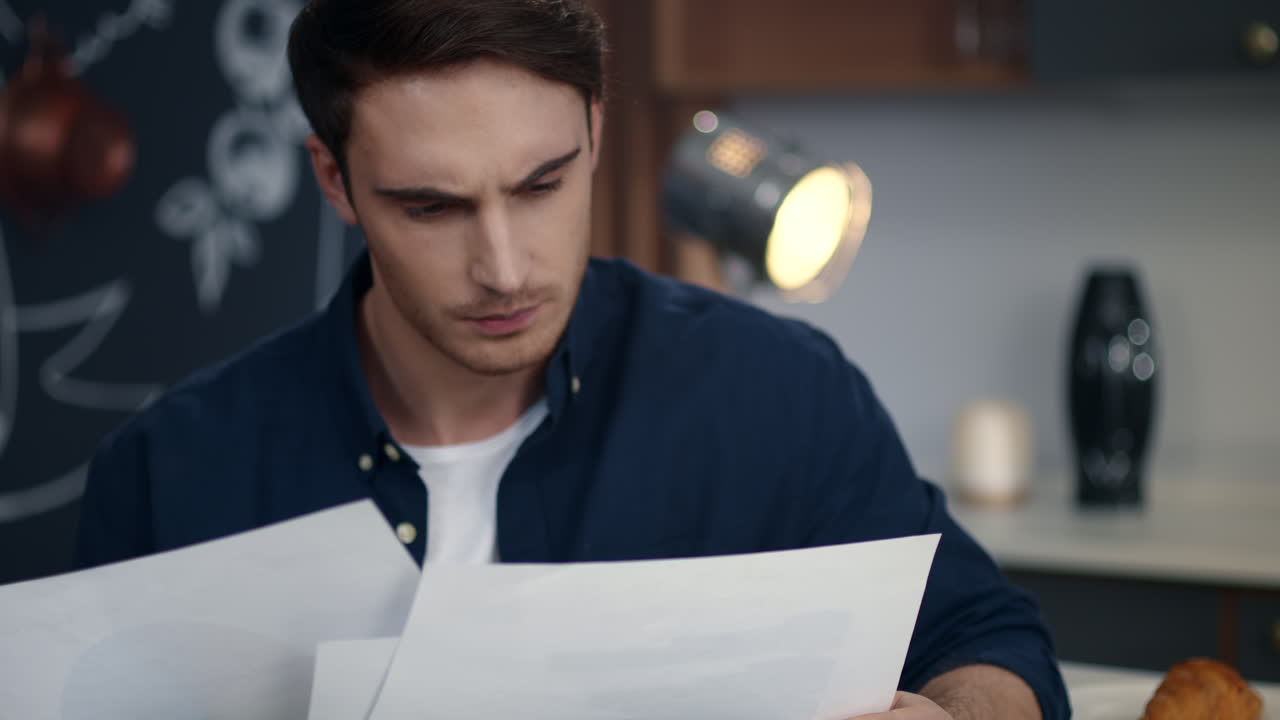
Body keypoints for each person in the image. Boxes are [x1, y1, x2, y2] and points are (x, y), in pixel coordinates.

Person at [74, 2, 1069, 718]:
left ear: (595, 128)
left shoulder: (777, 397)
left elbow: (990, 645)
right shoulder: (169, 475)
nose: (502, 268)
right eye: (432, 206)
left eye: (541, 184)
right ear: (334, 180)